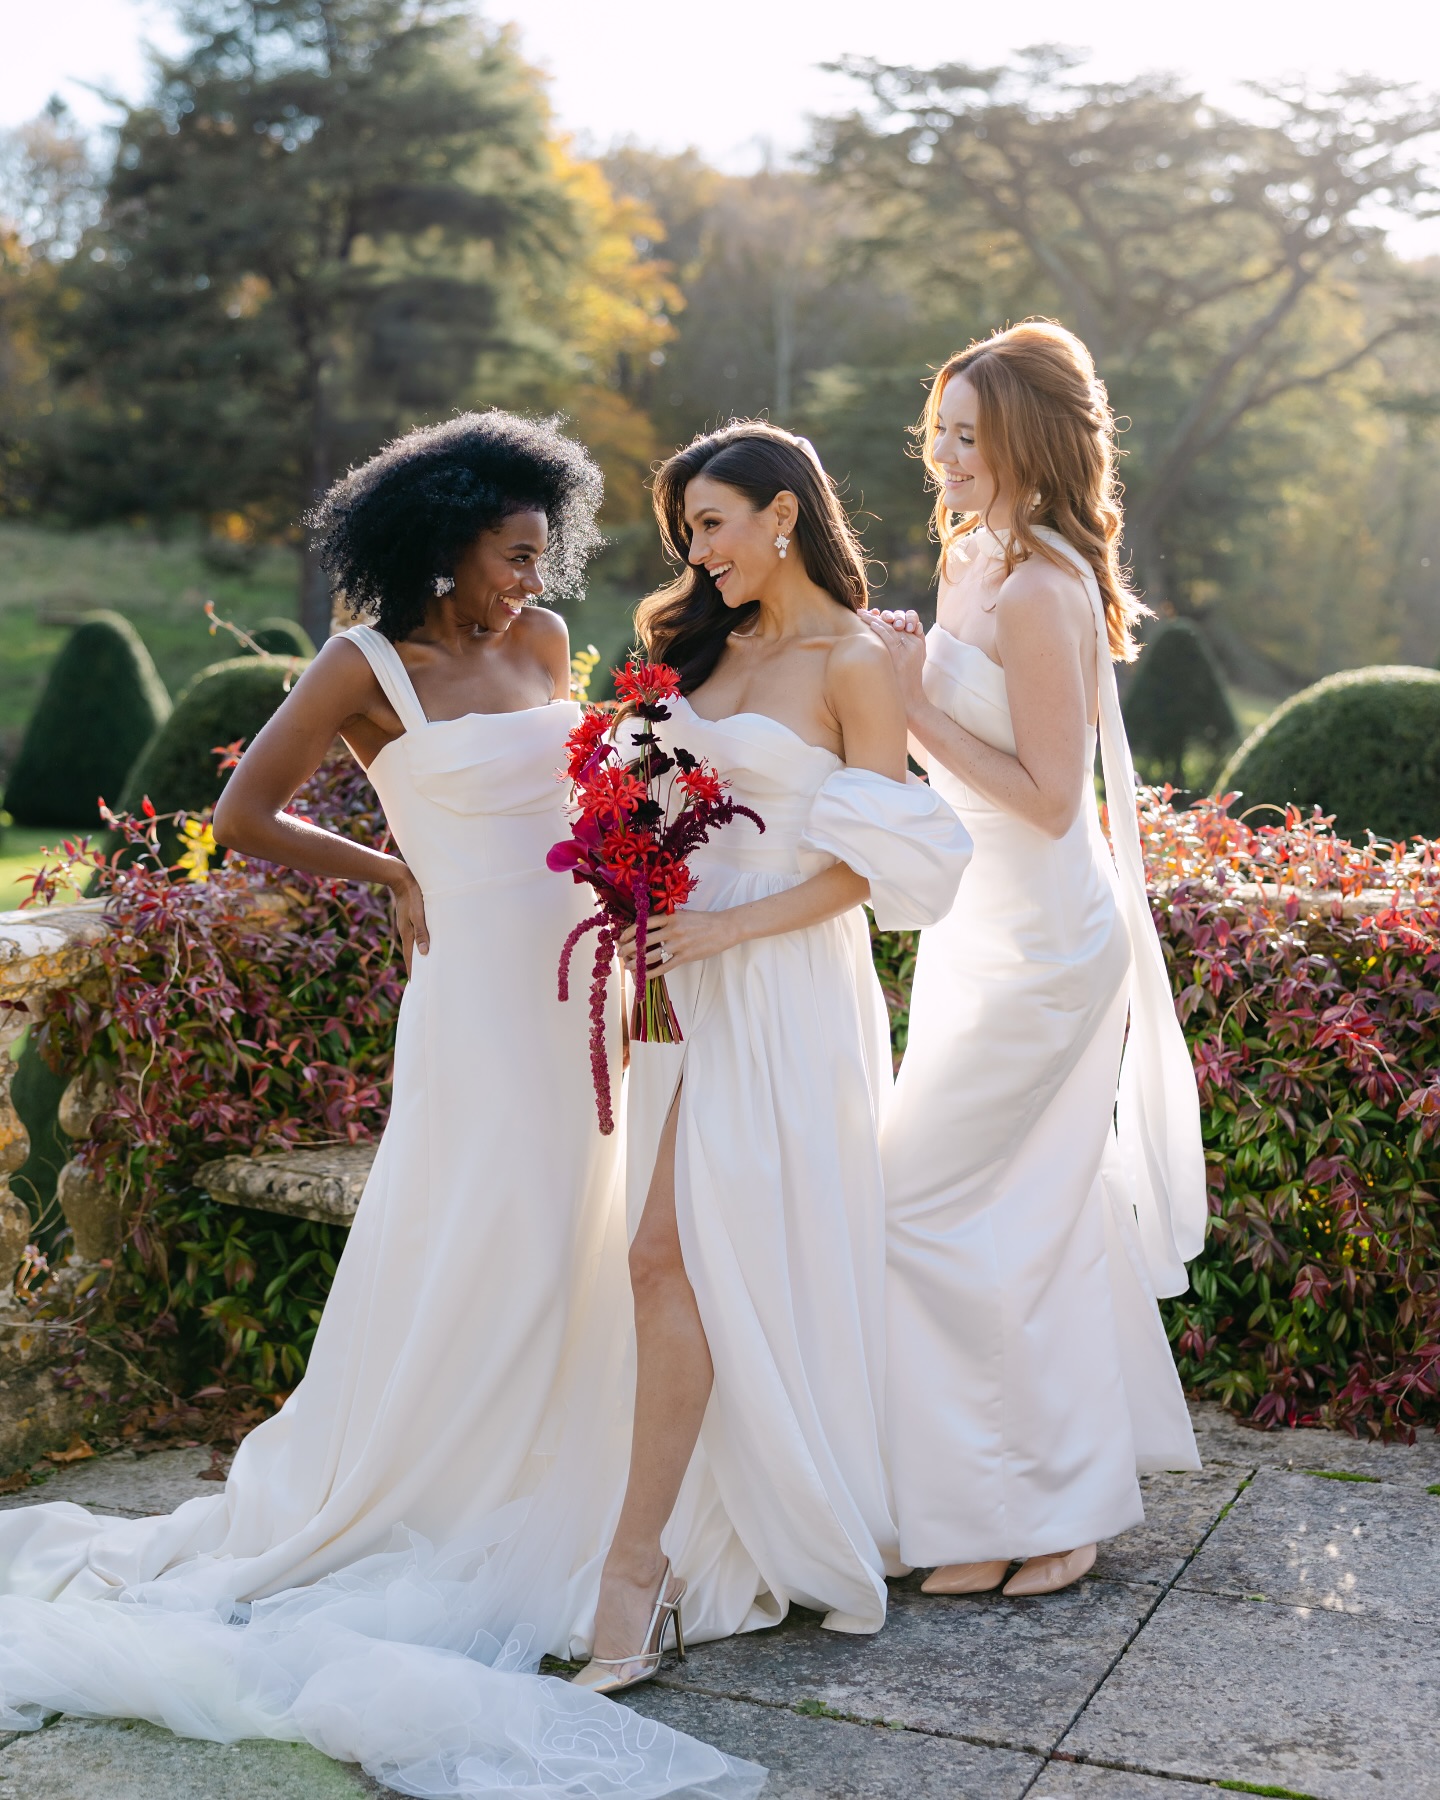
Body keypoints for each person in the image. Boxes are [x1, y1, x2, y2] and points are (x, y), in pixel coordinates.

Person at [0, 411, 761, 1800]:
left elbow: (591, 781)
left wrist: (645, 848)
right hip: (474, 993)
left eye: (547, 554)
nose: (536, 582)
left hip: (588, 974)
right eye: (515, 553)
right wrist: (394, 874)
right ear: (445, 538)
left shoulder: (537, 652)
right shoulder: (358, 665)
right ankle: (443, 1483)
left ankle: (574, 1472)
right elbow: (242, 818)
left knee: (597, 1226)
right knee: (503, 1226)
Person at [574, 422, 972, 1694]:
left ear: (784, 513)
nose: (698, 551)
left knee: (672, 1250)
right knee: (674, 1258)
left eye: (712, 524)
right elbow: (640, 802)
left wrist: (730, 924)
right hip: (676, 980)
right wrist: (627, 874)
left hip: (783, 977)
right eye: (689, 531)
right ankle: (666, 1544)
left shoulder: (855, 663)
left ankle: (639, 1573)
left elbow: (881, 863)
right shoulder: (691, 647)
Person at [864, 321, 1205, 1600]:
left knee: (917, 1206)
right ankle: (1010, 1504)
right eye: (940, 430)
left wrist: (909, 704)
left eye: (970, 436)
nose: (945, 456)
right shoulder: (967, 562)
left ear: (1030, 447)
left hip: (1048, 948)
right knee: (1020, 1215)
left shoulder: (1045, 589)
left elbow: (1051, 799)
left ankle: (1047, 1509)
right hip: (974, 930)